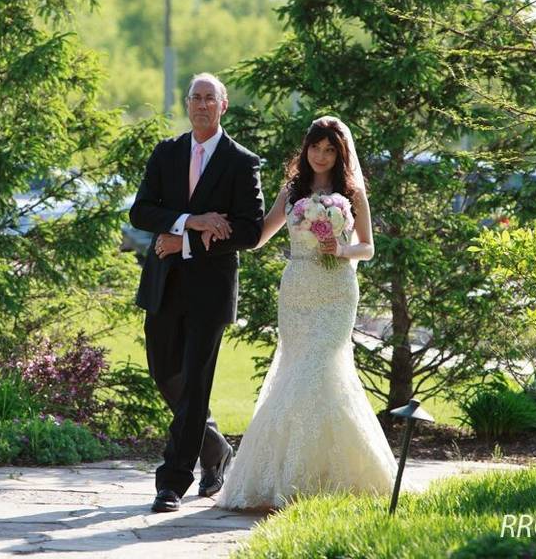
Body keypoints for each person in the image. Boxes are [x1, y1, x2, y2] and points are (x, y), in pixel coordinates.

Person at [215, 115, 397, 512]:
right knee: (296, 372)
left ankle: (333, 479)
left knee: (322, 370)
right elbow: (261, 235)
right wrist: (222, 225)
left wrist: (342, 250)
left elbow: (368, 247)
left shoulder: (352, 193)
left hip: (336, 292)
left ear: (340, 153)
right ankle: (283, 478)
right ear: (307, 148)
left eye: (330, 149)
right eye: (316, 147)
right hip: (297, 291)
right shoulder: (292, 190)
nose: (321, 155)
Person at [129, 73, 264, 513]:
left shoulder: (241, 162)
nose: (202, 105)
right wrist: (192, 221)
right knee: (165, 372)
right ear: (187, 105)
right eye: (196, 98)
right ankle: (216, 448)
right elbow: (141, 210)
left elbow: (248, 229)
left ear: (223, 106)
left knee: (196, 383)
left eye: (211, 98)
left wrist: (184, 242)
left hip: (210, 291)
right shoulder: (166, 153)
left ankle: (171, 482)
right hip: (163, 284)